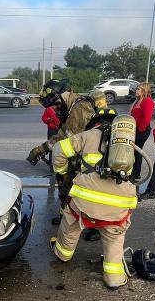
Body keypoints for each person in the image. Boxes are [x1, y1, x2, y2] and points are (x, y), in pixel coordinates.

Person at [49, 108, 137, 288]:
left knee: (71, 222)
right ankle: (114, 278)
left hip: (85, 202)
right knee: (114, 238)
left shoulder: (89, 135)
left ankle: (63, 254)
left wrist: (62, 171)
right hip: (118, 205)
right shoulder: (127, 144)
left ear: (95, 122)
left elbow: (58, 149)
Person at [27, 79, 102, 229]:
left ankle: (95, 228)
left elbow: (66, 138)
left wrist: (41, 149)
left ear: (63, 96)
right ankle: (65, 216)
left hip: (88, 157)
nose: (55, 109)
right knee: (65, 188)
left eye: (56, 105)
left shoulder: (79, 108)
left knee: (84, 194)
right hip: (76, 154)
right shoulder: (70, 106)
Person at [129, 82, 154, 180]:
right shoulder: (138, 101)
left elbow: (146, 119)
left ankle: (136, 173)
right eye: (137, 89)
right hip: (135, 130)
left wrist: (139, 130)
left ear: (144, 91)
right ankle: (134, 171)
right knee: (134, 151)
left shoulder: (147, 101)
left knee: (137, 151)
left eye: (139, 89)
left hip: (141, 131)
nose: (136, 90)